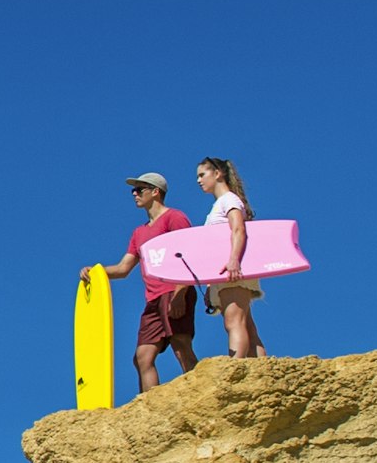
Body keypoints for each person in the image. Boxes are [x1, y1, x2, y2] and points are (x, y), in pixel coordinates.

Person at [101, 170, 198, 393]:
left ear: (155, 192)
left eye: (139, 189)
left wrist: (180, 293)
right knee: (142, 357)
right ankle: (149, 408)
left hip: (174, 291)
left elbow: (188, 254)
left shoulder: (175, 218)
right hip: (153, 299)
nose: (134, 194)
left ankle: (200, 394)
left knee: (181, 345)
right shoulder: (139, 232)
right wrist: (97, 272)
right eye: (133, 190)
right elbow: (123, 268)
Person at [192, 154, 267, 359]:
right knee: (246, 325)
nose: (198, 180)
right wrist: (209, 285)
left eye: (202, 174)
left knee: (233, 322)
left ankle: (235, 369)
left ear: (217, 174)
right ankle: (264, 372)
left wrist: (234, 260)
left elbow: (238, 230)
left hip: (233, 268)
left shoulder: (230, 200)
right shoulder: (220, 204)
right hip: (226, 271)